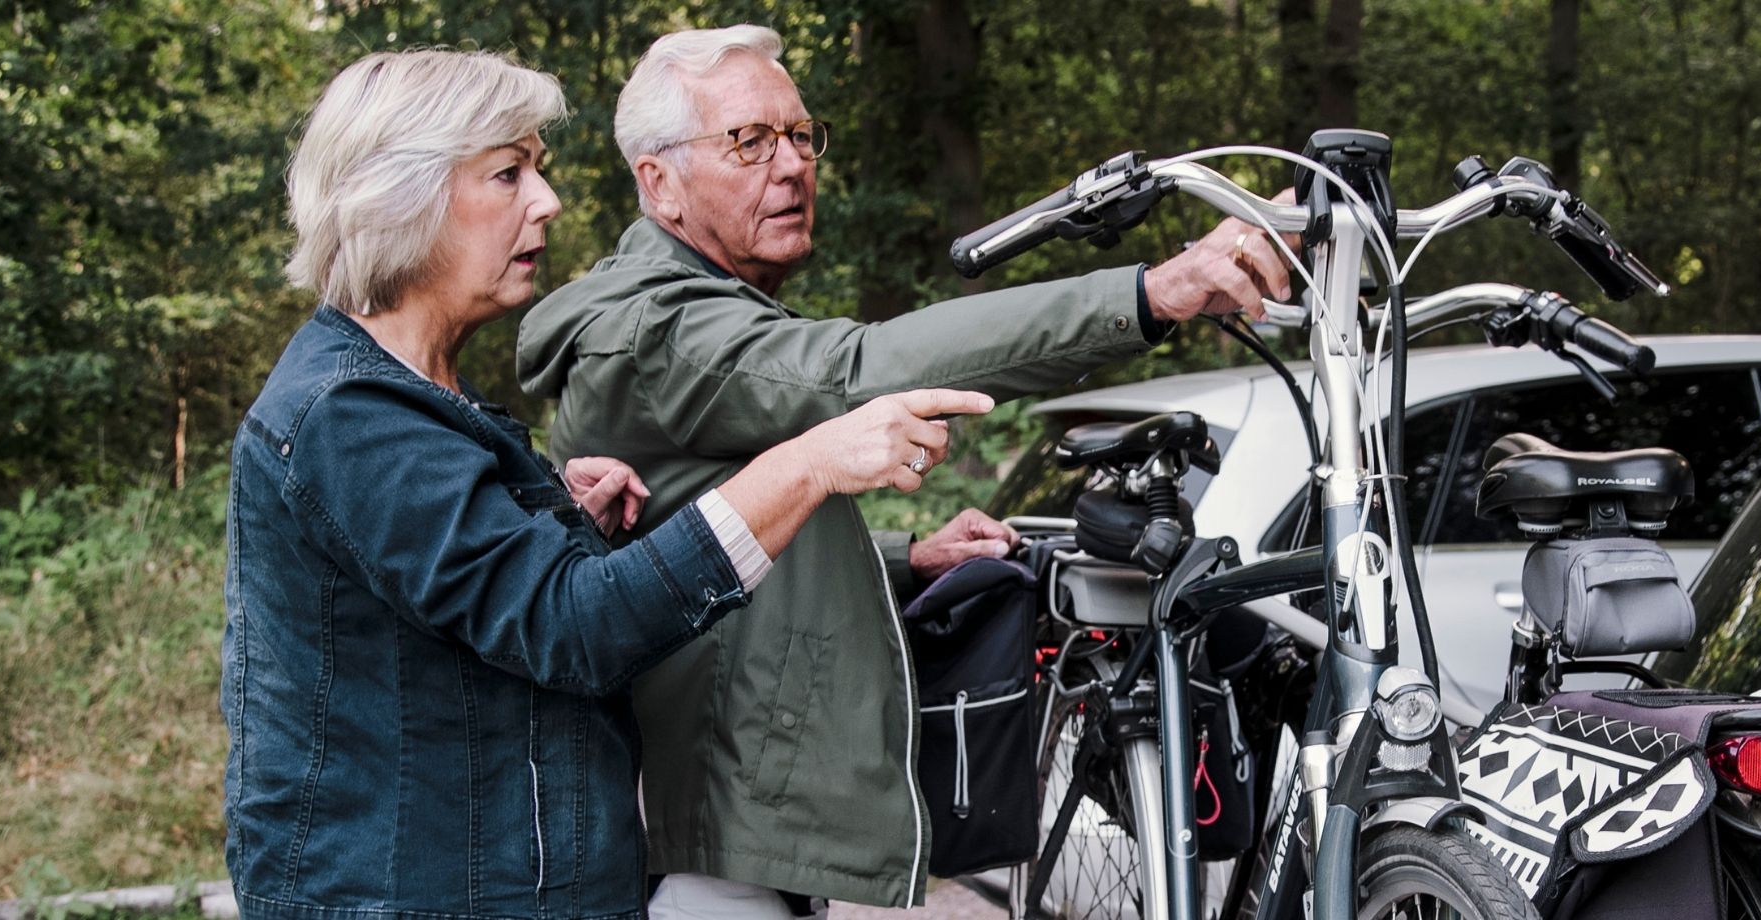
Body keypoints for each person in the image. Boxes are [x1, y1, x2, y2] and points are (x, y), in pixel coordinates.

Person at [512, 24, 1291, 917]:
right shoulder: (656, 331)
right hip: (703, 851)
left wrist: (904, 555)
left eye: (802, 136)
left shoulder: (697, 312)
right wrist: (1148, 295)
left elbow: (709, 523)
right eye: (749, 141)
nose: (793, 164)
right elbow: (857, 371)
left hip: (732, 831)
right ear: (659, 182)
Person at [221, 49, 993, 920]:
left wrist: (553, 513)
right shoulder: (351, 414)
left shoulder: (425, 396)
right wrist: (805, 462)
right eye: (509, 174)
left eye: (537, 172)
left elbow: (476, 600)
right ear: (403, 198)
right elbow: (572, 626)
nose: (547, 202)